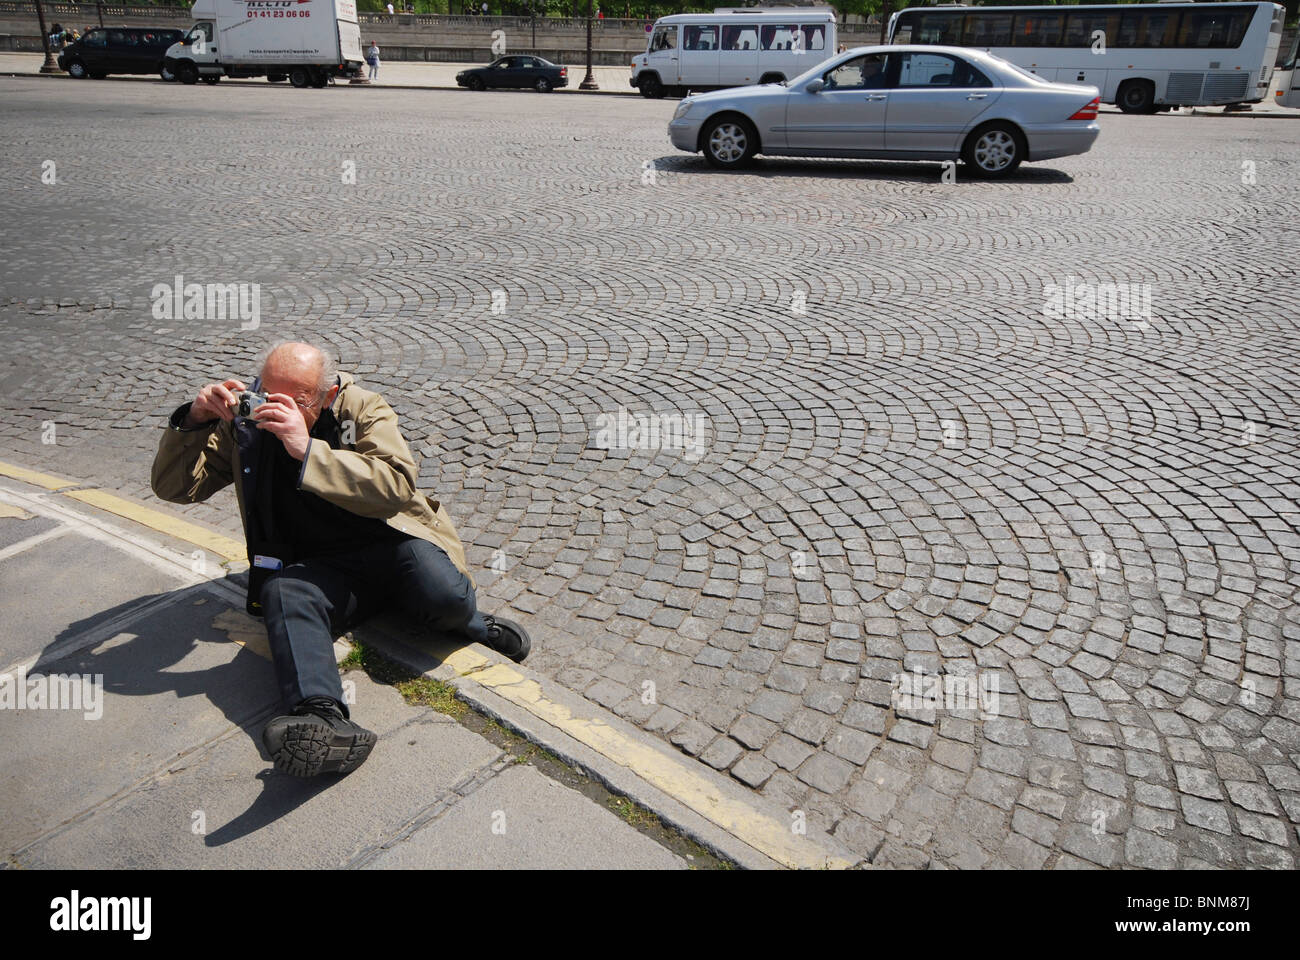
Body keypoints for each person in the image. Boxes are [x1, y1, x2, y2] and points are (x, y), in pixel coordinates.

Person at [150, 341, 531, 778]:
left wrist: (305, 447)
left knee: (441, 596)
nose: (275, 407)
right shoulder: (244, 424)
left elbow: (396, 484)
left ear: (328, 395)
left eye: (297, 400)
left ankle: (477, 625)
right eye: (266, 391)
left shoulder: (362, 409)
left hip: (391, 543)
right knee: (284, 593)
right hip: (322, 569)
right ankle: (323, 717)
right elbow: (174, 488)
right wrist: (193, 421)